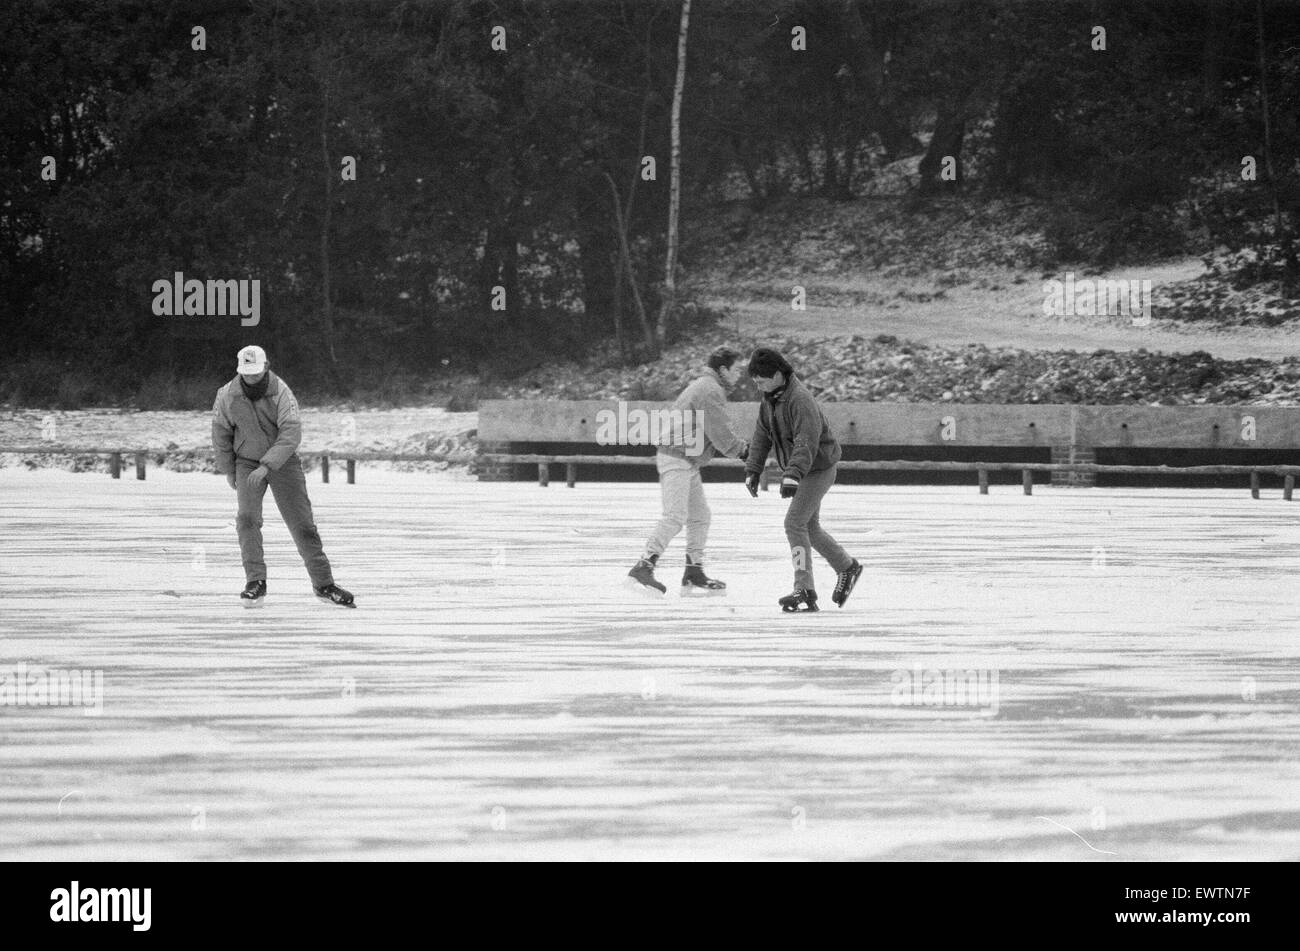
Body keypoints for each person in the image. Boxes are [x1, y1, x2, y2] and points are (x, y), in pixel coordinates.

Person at [211, 345, 355, 608]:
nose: (250, 378)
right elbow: (221, 434)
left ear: (266, 367)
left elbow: (291, 433)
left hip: (283, 462)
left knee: (302, 525)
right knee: (246, 520)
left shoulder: (282, 392)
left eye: (255, 373)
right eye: (246, 373)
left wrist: (267, 466)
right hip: (245, 462)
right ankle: (255, 581)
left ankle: (324, 584)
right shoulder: (227, 395)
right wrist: (229, 470)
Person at [743, 347, 862, 612]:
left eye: (761, 380)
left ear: (777, 375)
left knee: (793, 524)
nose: (758, 386)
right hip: (802, 470)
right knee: (809, 528)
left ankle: (805, 589)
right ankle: (847, 567)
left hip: (818, 468)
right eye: (756, 382)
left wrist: (792, 476)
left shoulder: (800, 400)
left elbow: (805, 442)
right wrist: (753, 469)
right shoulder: (770, 399)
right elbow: (762, 435)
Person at [626, 346, 750, 596]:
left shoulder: (707, 386)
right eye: (736, 370)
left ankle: (693, 570)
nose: (739, 375)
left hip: (686, 459)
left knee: (700, 516)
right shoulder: (709, 390)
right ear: (723, 369)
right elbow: (720, 431)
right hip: (677, 457)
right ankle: (644, 565)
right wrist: (745, 452)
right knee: (674, 516)